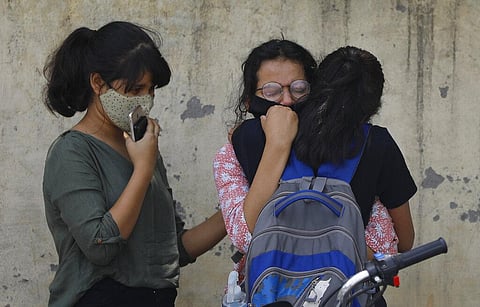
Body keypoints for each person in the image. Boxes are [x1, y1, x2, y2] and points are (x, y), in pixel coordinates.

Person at [42, 21, 226, 307]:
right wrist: (143, 168)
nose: (146, 100)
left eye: (151, 90)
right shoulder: (72, 152)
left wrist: (239, 208)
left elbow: (169, 249)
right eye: (135, 89)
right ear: (98, 83)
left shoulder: (142, 148)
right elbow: (100, 246)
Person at [213, 40, 401, 285]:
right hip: (271, 292)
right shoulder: (234, 154)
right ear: (249, 101)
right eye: (272, 92)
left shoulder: (348, 148)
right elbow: (244, 236)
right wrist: (276, 146)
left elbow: (385, 247)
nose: (287, 101)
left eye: (299, 88)